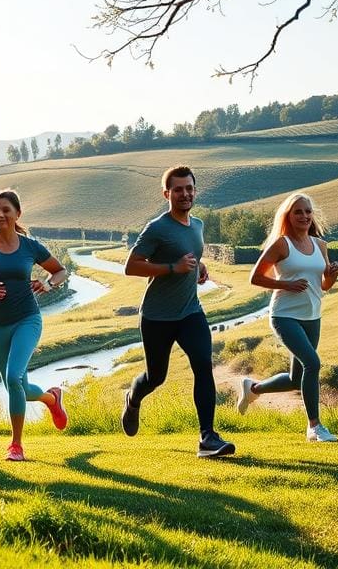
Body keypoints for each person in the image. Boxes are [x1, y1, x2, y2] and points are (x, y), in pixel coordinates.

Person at [122, 165, 236, 458]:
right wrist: (172, 268)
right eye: (178, 189)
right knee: (156, 377)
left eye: (189, 188)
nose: (185, 194)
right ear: (166, 194)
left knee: (203, 364)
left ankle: (207, 438)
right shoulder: (157, 227)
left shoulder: (196, 224)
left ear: (195, 191)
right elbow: (131, 266)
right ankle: (133, 398)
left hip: (190, 312)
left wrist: (200, 266)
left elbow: (191, 256)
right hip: (157, 316)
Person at [0, 190, 69, 461]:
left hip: (27, 318)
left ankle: (16, 445)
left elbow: (60, 270)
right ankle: (52, 399)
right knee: (16, 387)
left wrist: (48, 283)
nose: (0, 215)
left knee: (14, 377)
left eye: (5, 209)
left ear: (18, 213)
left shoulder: (30, 246)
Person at [239, 193, 338, 441]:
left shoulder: (320, 245)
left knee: (297, 379)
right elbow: (256, 277)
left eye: (308, 211)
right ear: (288, 216)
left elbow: (323, 285)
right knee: (313, 364)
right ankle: (314, 427)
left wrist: (333, 276)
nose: (304, 216)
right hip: (284, 315)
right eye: (298, 212)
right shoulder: (281, 245)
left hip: (312, 316)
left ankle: (253, 388)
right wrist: (287, 285)